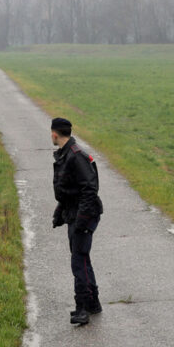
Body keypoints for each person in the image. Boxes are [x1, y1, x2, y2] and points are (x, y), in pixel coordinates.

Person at [51, 117, 104, 325]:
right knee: (82, 258)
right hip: (75, 213)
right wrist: (60, 212)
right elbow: (68, 191)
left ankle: (82, 308)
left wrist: (81, 222)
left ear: (55, 133)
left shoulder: (76, 156)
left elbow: (89, 190)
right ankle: (93, 303)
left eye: (51, 133)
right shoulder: (66, 154)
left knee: (78, 261)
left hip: (84, 215)